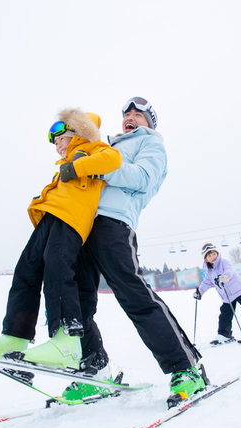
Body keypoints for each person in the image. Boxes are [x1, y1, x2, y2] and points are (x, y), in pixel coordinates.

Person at [0, 108, 122, 371]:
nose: (57, 147)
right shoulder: (67, 162)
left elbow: (113, 159)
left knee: (57, 267)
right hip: (50, 217)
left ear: (76, 131)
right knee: (26, 270)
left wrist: (76, 166)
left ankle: (66, 342)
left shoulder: (91, 147)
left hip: (71, 219)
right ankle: (14, 338)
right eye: (54, 143)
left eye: (60, 139)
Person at [64, 97, 205, 405]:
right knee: (76, 300)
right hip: (82, 224)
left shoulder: (151, 146)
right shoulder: (107, 145)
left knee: (134, 296)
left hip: (114, 224)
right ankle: (96, 370)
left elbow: (142, 179)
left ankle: (187, 368)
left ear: (149, 123)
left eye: (138, 114)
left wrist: (99, 168)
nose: (130, 117)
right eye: (127, 114)